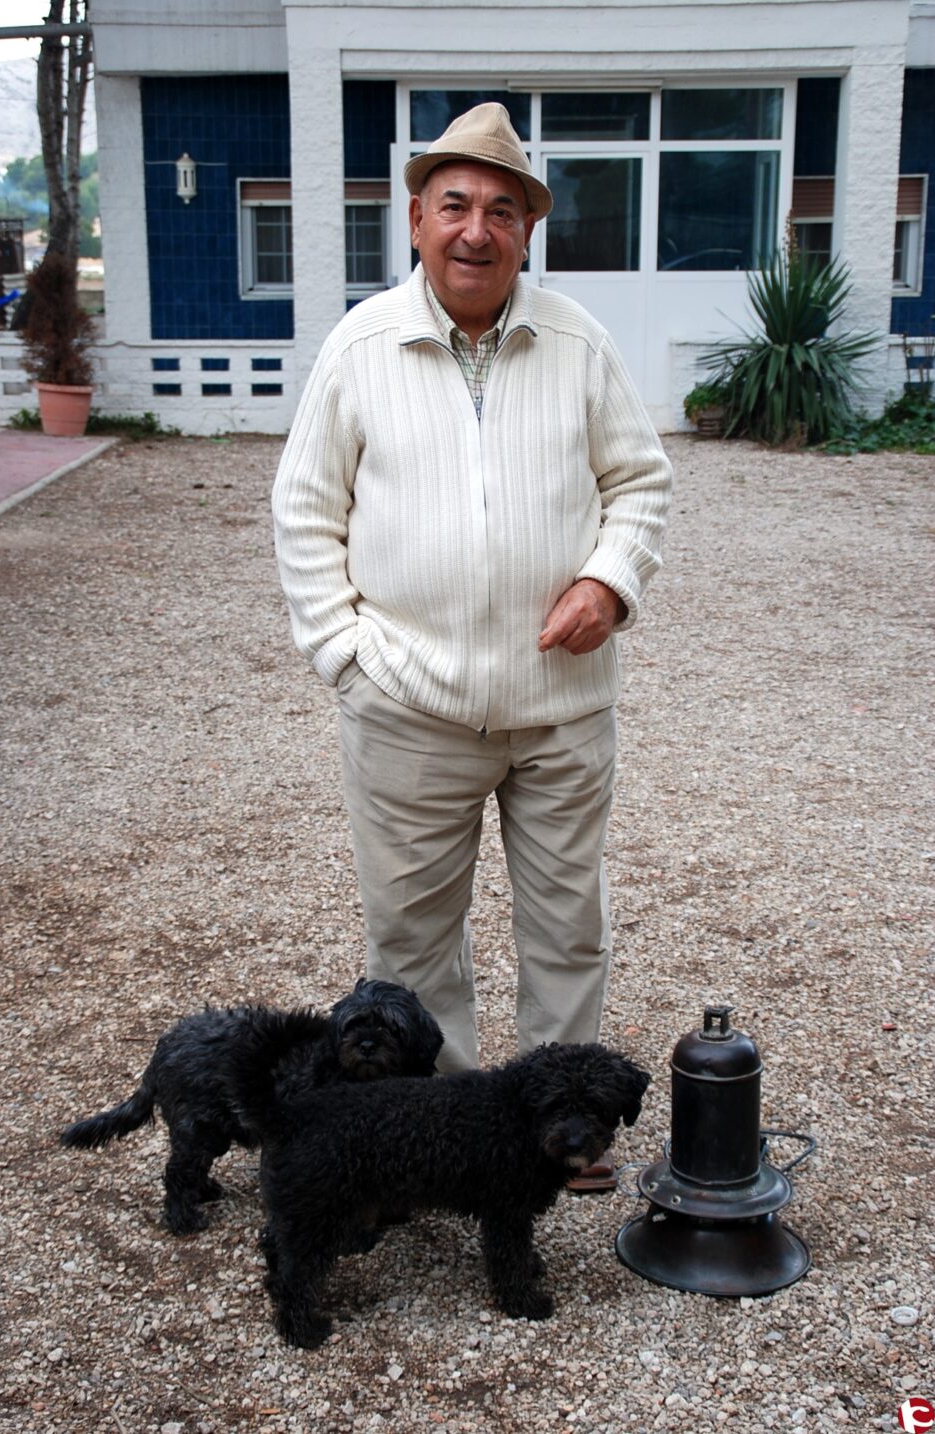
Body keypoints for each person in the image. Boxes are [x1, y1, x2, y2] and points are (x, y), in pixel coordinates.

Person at [272, 102, 672, 1187]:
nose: (476, 231)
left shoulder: (578, 342)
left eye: (502, 209)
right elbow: (305, 514)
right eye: (455, 205)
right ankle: (437, 1144)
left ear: (528, 230)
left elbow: (639, 483)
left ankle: (563, 1138)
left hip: (562, 707)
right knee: (410, 949)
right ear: (416, 219)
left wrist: (610, 579)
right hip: (408, 708)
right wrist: (346, 657)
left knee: (567, 935)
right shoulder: (362, 347)